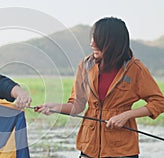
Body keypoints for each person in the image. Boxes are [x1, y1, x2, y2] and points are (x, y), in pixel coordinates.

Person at [35, 17, 164, 158]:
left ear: (113, 42)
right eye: (92, 38)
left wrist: (125, 115)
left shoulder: (135, 69)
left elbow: (159, 102)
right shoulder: (85, 66)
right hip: (88, 147)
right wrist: (55, 107)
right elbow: (77, 105)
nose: (92, 44)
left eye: (97, 40)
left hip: (122, 150)